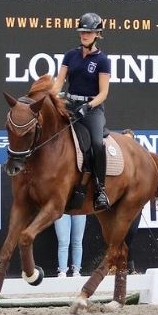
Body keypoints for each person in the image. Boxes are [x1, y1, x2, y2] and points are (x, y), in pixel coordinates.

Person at [52, 11, 112, 211]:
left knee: (96, 143)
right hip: (69, 104)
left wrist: (88, 107)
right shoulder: (70, 55)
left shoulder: (102, 60)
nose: (84, 35)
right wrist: (50, 96)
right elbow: (59, 81)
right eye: (82, 32)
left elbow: (103, 93)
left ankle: (100, 190)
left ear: (97, 34)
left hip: (92, 109)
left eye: (88, 32)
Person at [54, 213, 86, 278]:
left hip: (79, 207)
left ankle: (76, 271)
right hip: (62, 209)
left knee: (77, 241)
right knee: (63, 242)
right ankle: (62, 271)